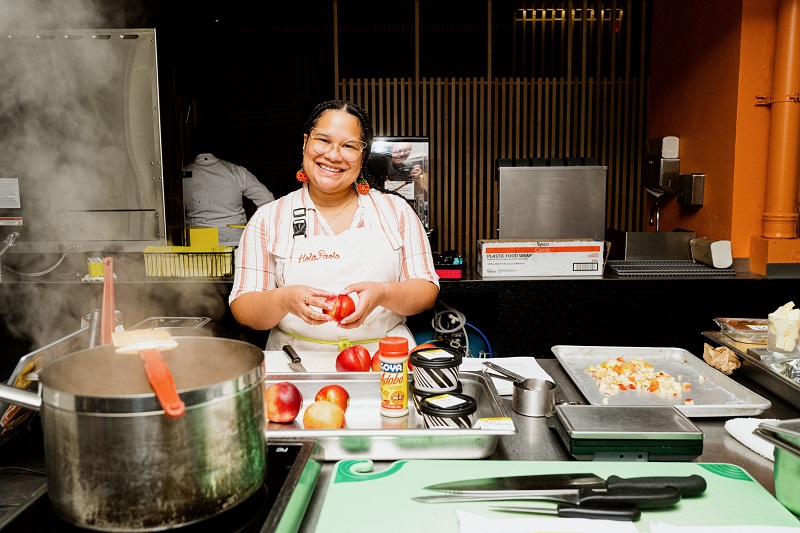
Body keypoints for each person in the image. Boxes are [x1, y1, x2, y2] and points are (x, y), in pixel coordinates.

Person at [229, 100, 439, 353]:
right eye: (323, 140)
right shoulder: (268, 218)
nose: (333, 155)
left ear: (363, 156)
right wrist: (283, 299)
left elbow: (425, 290)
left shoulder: (397, 211)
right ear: (306, 142)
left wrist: (383, 293)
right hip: (295, 362)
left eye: (349, 146)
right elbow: (244, 308)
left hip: (384, 362)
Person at [183, 132, 275, 246]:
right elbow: (268, 200)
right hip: (234, 241)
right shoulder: (236, 171)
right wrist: (255, 229)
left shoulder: (182, 176)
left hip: (197, 243)